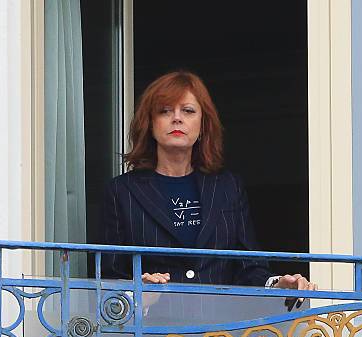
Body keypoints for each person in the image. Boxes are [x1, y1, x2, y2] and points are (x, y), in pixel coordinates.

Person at [102, 71, 316, 305]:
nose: (177, 118)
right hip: (154, 334)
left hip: (220, 336)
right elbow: (109, 278)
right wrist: (139, 294)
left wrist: (278, 285)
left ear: (203, 124)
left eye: (188, 111)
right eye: (165, 111)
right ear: (150, 124)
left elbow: (248, 268)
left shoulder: (227, 187)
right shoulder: (122, 191)